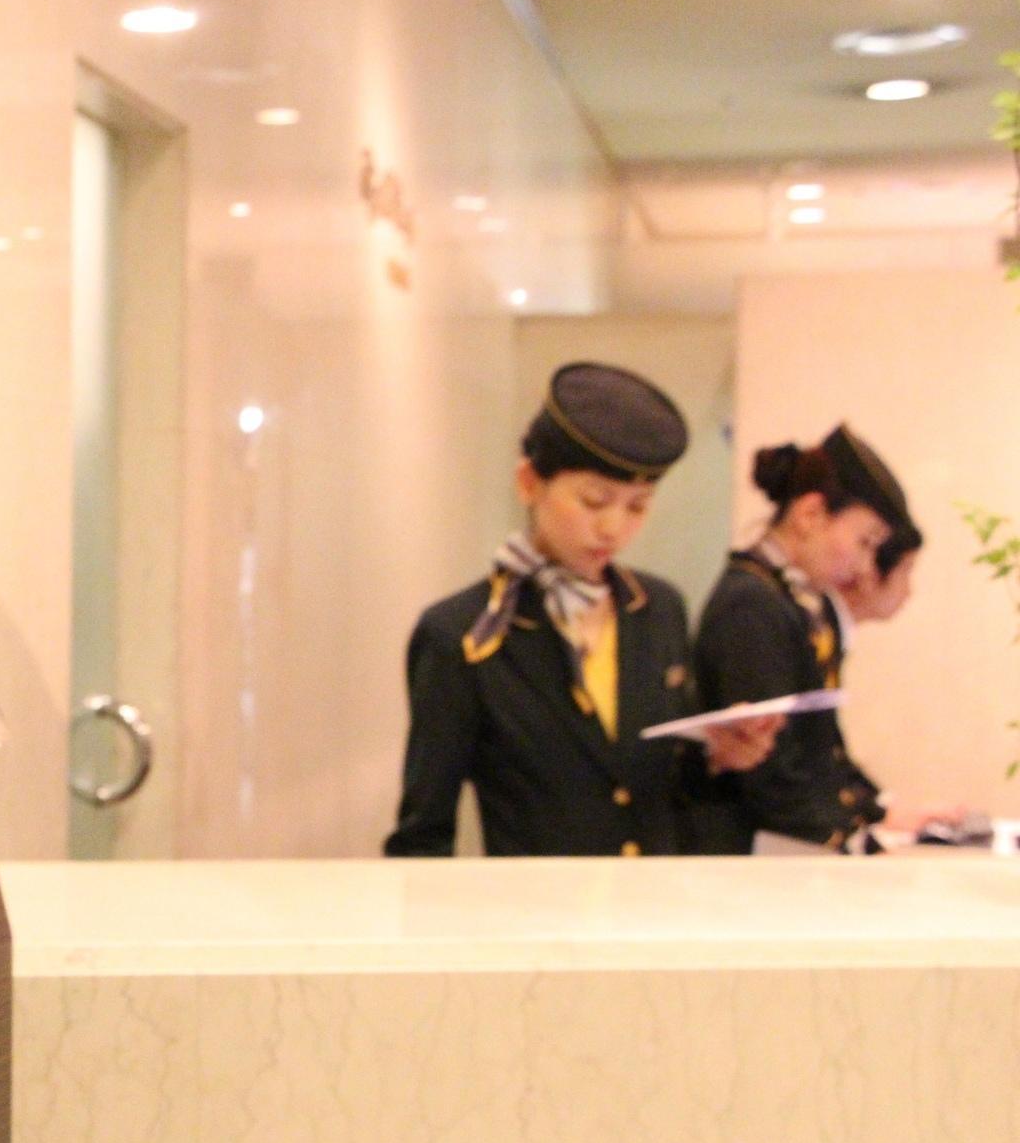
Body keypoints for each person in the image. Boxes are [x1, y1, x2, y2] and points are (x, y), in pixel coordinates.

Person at [385, 363, 779, 858]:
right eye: (594, 501)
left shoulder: (658, 609)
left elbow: (664, 783)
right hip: (537, 919)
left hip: (650, 912)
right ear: (529, 483)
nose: (614, 528)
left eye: (637, 506)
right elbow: (424, 832)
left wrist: (721, 754)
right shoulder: (462, 634)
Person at [693, 425, 925, 852]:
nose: (862, 565)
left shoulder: (794, 600)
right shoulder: (751, 603)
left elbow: (822, 745)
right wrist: (843, 840)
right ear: (810, 515)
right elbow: (772, 768)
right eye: (863, 541)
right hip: (751, 851)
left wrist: (869, 815)